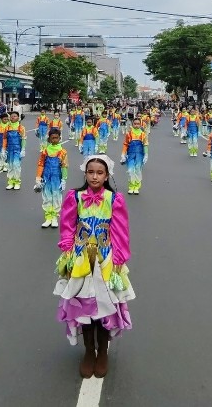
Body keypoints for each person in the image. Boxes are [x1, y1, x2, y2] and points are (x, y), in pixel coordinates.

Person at [54, 155, 134, 379]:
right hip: (81, 260)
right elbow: (67, 226)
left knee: (104, 308)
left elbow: (120, 231)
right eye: (91, 172)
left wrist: (118, 259)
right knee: (84, 308)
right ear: (85, 173)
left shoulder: (114, 199)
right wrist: (68, 253)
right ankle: (89, 352)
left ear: (107, 175)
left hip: (105, 259)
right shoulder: (75, 197)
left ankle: (103, 352)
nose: (95, 176)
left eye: (100, 173)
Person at [36, 128, 68, 228]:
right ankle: (48, 217)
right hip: (46, 177)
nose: (54, 140)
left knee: (56, 197)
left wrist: (64, 180)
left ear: (59, 138)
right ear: (49, 139)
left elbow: (64, 166)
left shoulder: (62, 152)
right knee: (47, 197)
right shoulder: (45, 151)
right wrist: (38, 177)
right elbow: (41, 164)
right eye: (52, 138)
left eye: (56, 138)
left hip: (57, 178)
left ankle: (54, 217)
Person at [121, 117, 149, 194]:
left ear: (140, 124)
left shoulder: (143, 134)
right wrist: (123, 154)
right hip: (130, 154)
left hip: (140, 155)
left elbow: (145, 145)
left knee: (138, 170)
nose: (136, 125)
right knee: (130, 170)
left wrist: (146, 155)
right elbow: (125, 144)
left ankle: (136, 186)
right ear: (132, 124)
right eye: (135, 124)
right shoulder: (129, 134)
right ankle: (131, 186)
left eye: (138, 124)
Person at [0, 111, 27, 190]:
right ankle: (11, 182)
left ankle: (17, 182)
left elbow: (23, 139)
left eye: (15, 116)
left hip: (17, 150)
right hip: (9, 150)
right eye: (11, 116)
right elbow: (5, 139)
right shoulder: (7, 127)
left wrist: (23, 149)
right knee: (10, 166)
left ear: (18, 118)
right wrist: (3, 149)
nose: (13, 117)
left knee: (16, 165)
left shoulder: (21, 128)